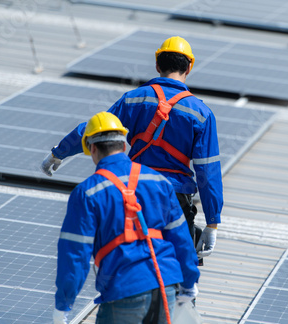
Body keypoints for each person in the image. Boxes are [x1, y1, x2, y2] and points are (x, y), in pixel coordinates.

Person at [42, 36, 223, 262]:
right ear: (189, 67)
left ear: (158, 65)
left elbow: (95, 130)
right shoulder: (201, 114)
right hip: (174, 199)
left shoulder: (133, 99)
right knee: (177, 269)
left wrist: (59, 153)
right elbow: (208, 172)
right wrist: (212, 223)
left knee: (130, 262)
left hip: (133, 191)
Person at [53, 112, 200, 324]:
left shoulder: (87, 192)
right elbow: (181, 238)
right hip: (166, 286)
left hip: (123, 290)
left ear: (92, 149)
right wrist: (189, 282)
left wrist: (62, 306)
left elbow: (75, 253)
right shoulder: (158, 181)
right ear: (124, 146)